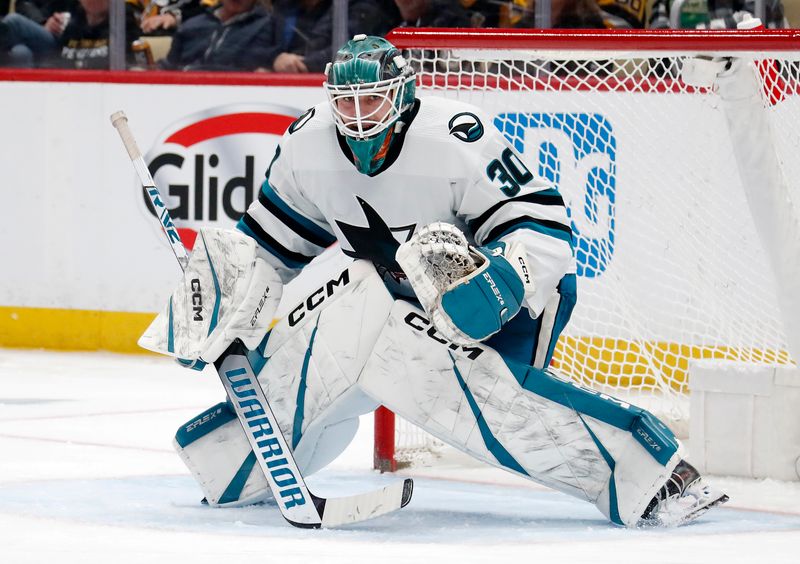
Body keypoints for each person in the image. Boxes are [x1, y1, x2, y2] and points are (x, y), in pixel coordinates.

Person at [140, 35, 728, 527]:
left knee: (481, 395)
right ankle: (237, 461)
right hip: (388, 294)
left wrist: (503, 280)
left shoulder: (457, 139)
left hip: (495, 297)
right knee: (351, 309)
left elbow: (544, 228)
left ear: (403, 96)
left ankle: (653, 474)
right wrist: (216, 299)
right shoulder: (306, 146)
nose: (358, 119)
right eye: (346, 104)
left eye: (372, 102)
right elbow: (268, 244)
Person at [159, 0, 273, 71]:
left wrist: (192, 71)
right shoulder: (192, 25)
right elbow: (169, 66)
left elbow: (246, 70)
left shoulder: (266, 27)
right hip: (179, 93)